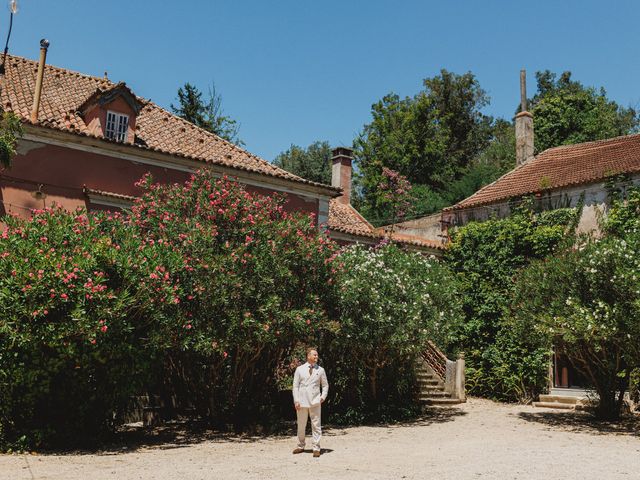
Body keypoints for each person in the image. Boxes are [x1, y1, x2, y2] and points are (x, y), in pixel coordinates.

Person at [292, 347, 329, 458]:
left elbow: (325, 385)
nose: (316, 357)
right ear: (308, 356)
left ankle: (316, 448)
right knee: (301, 425)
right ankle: (300, 446)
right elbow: (295, 386)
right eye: (314, 355)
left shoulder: (320, 370)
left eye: (317, 355)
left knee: (316, 425)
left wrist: (323, 397)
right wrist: (296, 400)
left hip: (315, 401)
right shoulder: (299, 369)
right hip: (302, 401)